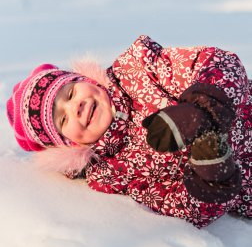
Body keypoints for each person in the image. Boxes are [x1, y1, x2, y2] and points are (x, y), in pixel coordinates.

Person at [6, 35, 252, 228]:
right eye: (62, 119)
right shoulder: (111, 173)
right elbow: (181, 207)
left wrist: (200, 108)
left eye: (70, 93)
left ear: (86, 80)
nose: (75, 106)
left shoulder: (140, 70)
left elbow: (217, 62)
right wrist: (212, 176)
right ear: (69, 144)